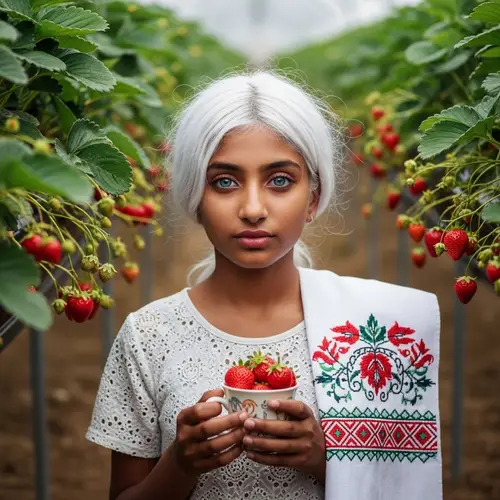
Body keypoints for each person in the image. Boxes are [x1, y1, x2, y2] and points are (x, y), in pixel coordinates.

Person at [86, 70, 442, 500]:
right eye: (224, 182)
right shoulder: (148, 336)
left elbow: (410, 488)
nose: (253, 209)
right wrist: (179, 464)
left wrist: (325, 457)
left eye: (279, 180)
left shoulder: (379, 332)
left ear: (313, 197)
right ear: (194, 198)